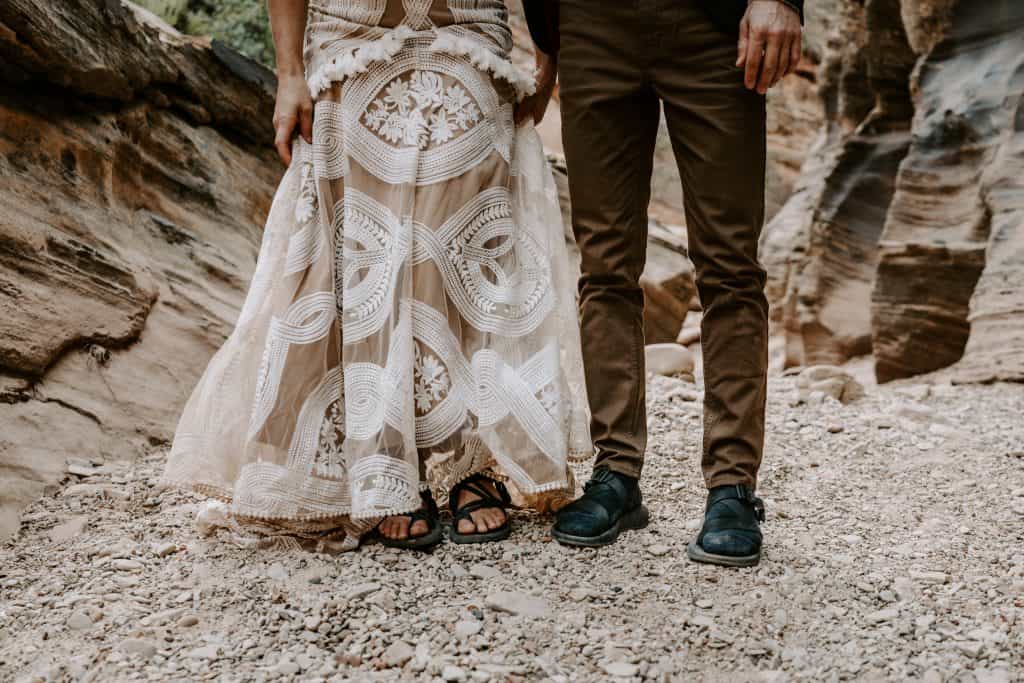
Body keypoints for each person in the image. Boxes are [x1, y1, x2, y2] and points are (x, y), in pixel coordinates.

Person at [163, 0, 590, 551]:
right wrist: (289, 74)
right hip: (351, 41)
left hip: (468, 40)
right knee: (364, 249)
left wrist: (547, 58)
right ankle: (387, 462)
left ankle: (467, 465)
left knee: (462, 248)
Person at [521, 0, 804, 566]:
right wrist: (547, 36)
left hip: (712, 23)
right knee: (604, 263)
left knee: (729, 266)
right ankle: (616, 476)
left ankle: (732, 488)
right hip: (590, 23)